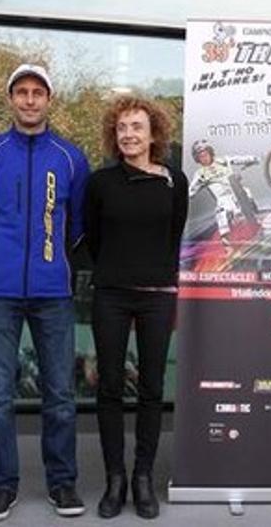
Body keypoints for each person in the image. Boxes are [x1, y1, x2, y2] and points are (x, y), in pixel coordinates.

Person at [0, 64, 92, 522]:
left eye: (38, 93)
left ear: (49, 100)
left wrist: (50, 263)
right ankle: (3, 486)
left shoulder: (72, 158)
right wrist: (3, 258)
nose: (30, 100)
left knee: (60, 394)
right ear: (11, 99)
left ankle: (62, 483)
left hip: (53, 293)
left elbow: (78, 227)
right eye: (22, 92)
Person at [84, 95, 188, 519]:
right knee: (109, 388)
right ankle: (115, 479)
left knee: (150, 389)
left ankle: (143, 477)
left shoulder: (174, 181)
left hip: (157, 297)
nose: (129, 134)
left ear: (153, 134)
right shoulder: (100, 183)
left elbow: (174, 236)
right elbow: (92, 238)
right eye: (122, 127)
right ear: (115, 134)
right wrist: (116, 271)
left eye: (137, 127)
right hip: (110, 294)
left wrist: (156, 277)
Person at [187, 140, 259, 242]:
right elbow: (191, 191)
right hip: (223, 198)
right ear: (197, 159)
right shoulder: (200, 174)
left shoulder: (223, 161)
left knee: (246, 191)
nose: (204, 158)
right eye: (201, 157)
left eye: (206, 154)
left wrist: (253, 159)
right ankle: (227, 240)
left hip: (236, 191)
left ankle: (256, 223)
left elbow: (238, 159)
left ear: (211, 153)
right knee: (222, 209)